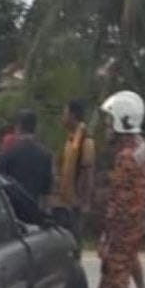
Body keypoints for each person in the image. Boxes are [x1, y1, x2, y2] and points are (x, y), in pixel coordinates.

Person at [85, 91, 145, 288]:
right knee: (119, 280)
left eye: (110, 120)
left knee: (118, 284)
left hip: (123, 230)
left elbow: (119, 203)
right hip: (135, 226)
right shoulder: (141, 146)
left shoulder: (125, 157)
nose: (106, 125)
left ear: (122, 120)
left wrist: (107, 236)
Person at [53, 98, 96, 248]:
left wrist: (85, 201)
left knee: (74, 241)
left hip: (76, 202)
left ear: (73, 115)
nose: (63, 117)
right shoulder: (70, 139)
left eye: (65, 113)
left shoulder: (85, 141)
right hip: (65, 200)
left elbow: (87, 172)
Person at [0, 109, 53, 208]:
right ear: (35, 128)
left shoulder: (10, 153)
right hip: (34, 212)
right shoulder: (45, 155)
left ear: (18, 127)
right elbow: (46, 193)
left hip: (13, 212)